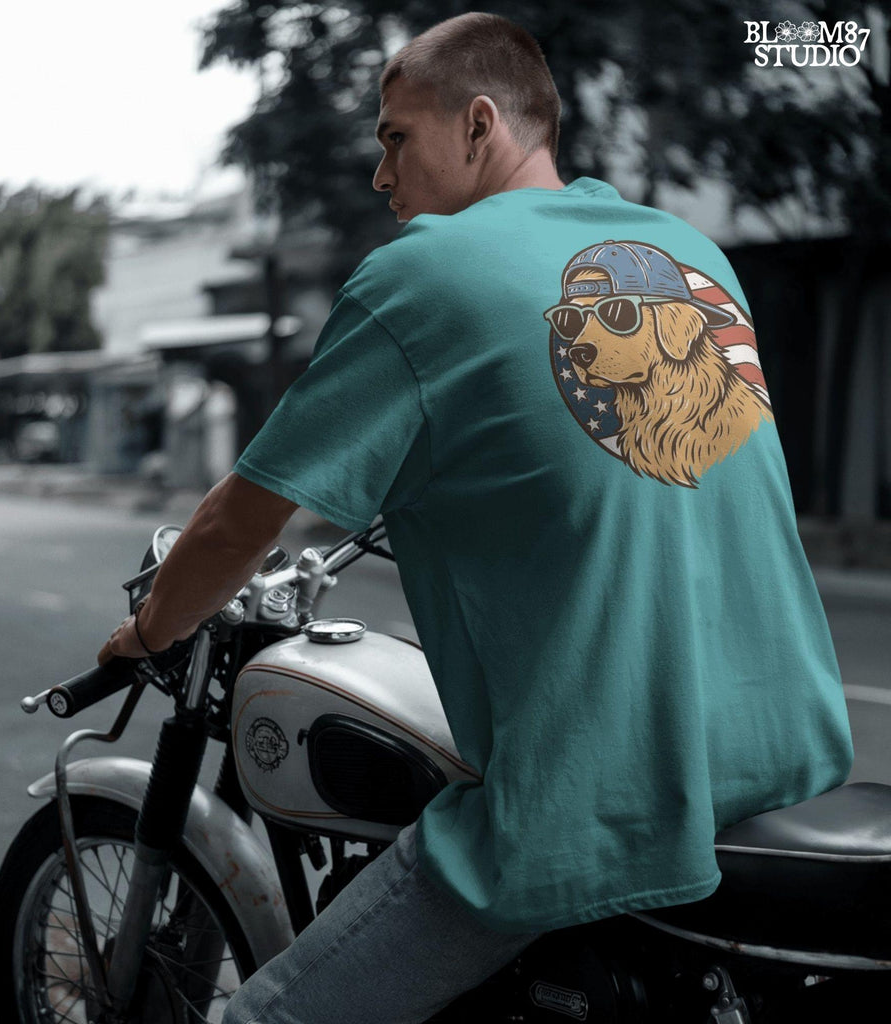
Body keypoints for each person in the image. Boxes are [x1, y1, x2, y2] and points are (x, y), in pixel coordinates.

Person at [99, 11, 855, 1023]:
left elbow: (243, 521)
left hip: (601, 798)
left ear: (479, 125)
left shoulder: (420, 277)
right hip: (785, 745)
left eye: (393, 138)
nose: (381, 175)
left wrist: (151, 628)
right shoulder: (684, 248)